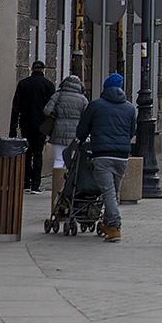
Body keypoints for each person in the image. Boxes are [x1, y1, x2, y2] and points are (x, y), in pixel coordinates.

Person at [76, 73, 136, 243]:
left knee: (108, 192)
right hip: (122, 156)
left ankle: (115, 226)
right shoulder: (130, 108)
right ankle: (108, 224)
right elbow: (132, 131)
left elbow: (82, 131)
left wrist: (82, 139)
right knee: (114, 192)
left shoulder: (95, 106)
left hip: (102, 154)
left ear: (105, 87)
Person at [9, 60, 55, 193]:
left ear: (32, 69)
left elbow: (16, 106)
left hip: (26, 123)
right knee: (38, 153)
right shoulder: (48, 85)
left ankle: (26, 183)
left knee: (27, 153)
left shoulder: (23, 84)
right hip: (42, 125)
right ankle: (36, 185)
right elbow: (52, 108)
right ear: (43, 70)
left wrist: (13, 127)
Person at [42, 74, 88, 169]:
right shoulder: (83, 99)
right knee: (72, 159)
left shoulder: (58, 96)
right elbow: (87, 116)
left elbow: (46, 110)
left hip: (58, 130)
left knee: (58, 159)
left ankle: (57, 182)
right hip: (75, 132)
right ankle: (69, 182)